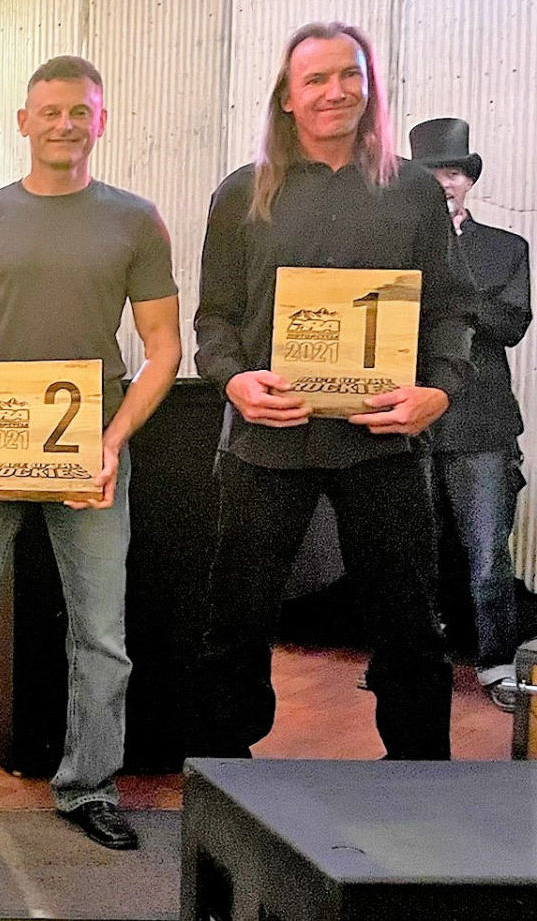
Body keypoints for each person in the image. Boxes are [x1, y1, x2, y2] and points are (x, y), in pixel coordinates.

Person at [0, 55, 180, 850]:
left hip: (92, 439)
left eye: (80, 111)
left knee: (101, 631)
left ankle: (89, 784)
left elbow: (162, 347)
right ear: (23, 122)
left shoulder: (136, 219)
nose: (65, 123)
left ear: (102, 121)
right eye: (50, 110)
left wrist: (112, 439)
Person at [189, 22, 474, 762]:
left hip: (381, 442)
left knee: (410, 623)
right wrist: (234, 379)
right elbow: (215, 317)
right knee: (236, 622)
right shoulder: (241, 194)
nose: (336, 91)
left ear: (369, 86)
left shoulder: (412, 190)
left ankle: (421, 784)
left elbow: (450, 310)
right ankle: (226, 779)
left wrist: (437, 391)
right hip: (265, 441)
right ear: (287, 97)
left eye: (349, 75)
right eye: (316, 80)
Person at [409, 117, 532, 713]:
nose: (443, 182)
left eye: (453, 171)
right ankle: (408, 659)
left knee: (488, 551)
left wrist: (453, 293)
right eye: (431, 172)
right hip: (407, 415)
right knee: (408, 550)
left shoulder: (508, 249)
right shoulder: (394, 244)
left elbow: (511, 325)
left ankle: (497, 662)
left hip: (480, 422)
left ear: (469, 181)